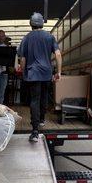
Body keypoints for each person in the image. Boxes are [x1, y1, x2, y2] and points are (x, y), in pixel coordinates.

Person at [18, 13, 62, 142]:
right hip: (46, 73)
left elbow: (23, 58)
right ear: (42, 23)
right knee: (44, 96)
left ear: (31, 24)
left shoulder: (26, 38)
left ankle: (35, 130)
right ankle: (42, 119)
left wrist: (22, 70)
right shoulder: (50, 37)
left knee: (35, 99)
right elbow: (58, 55)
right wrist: (59, 72)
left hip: (33, 73)